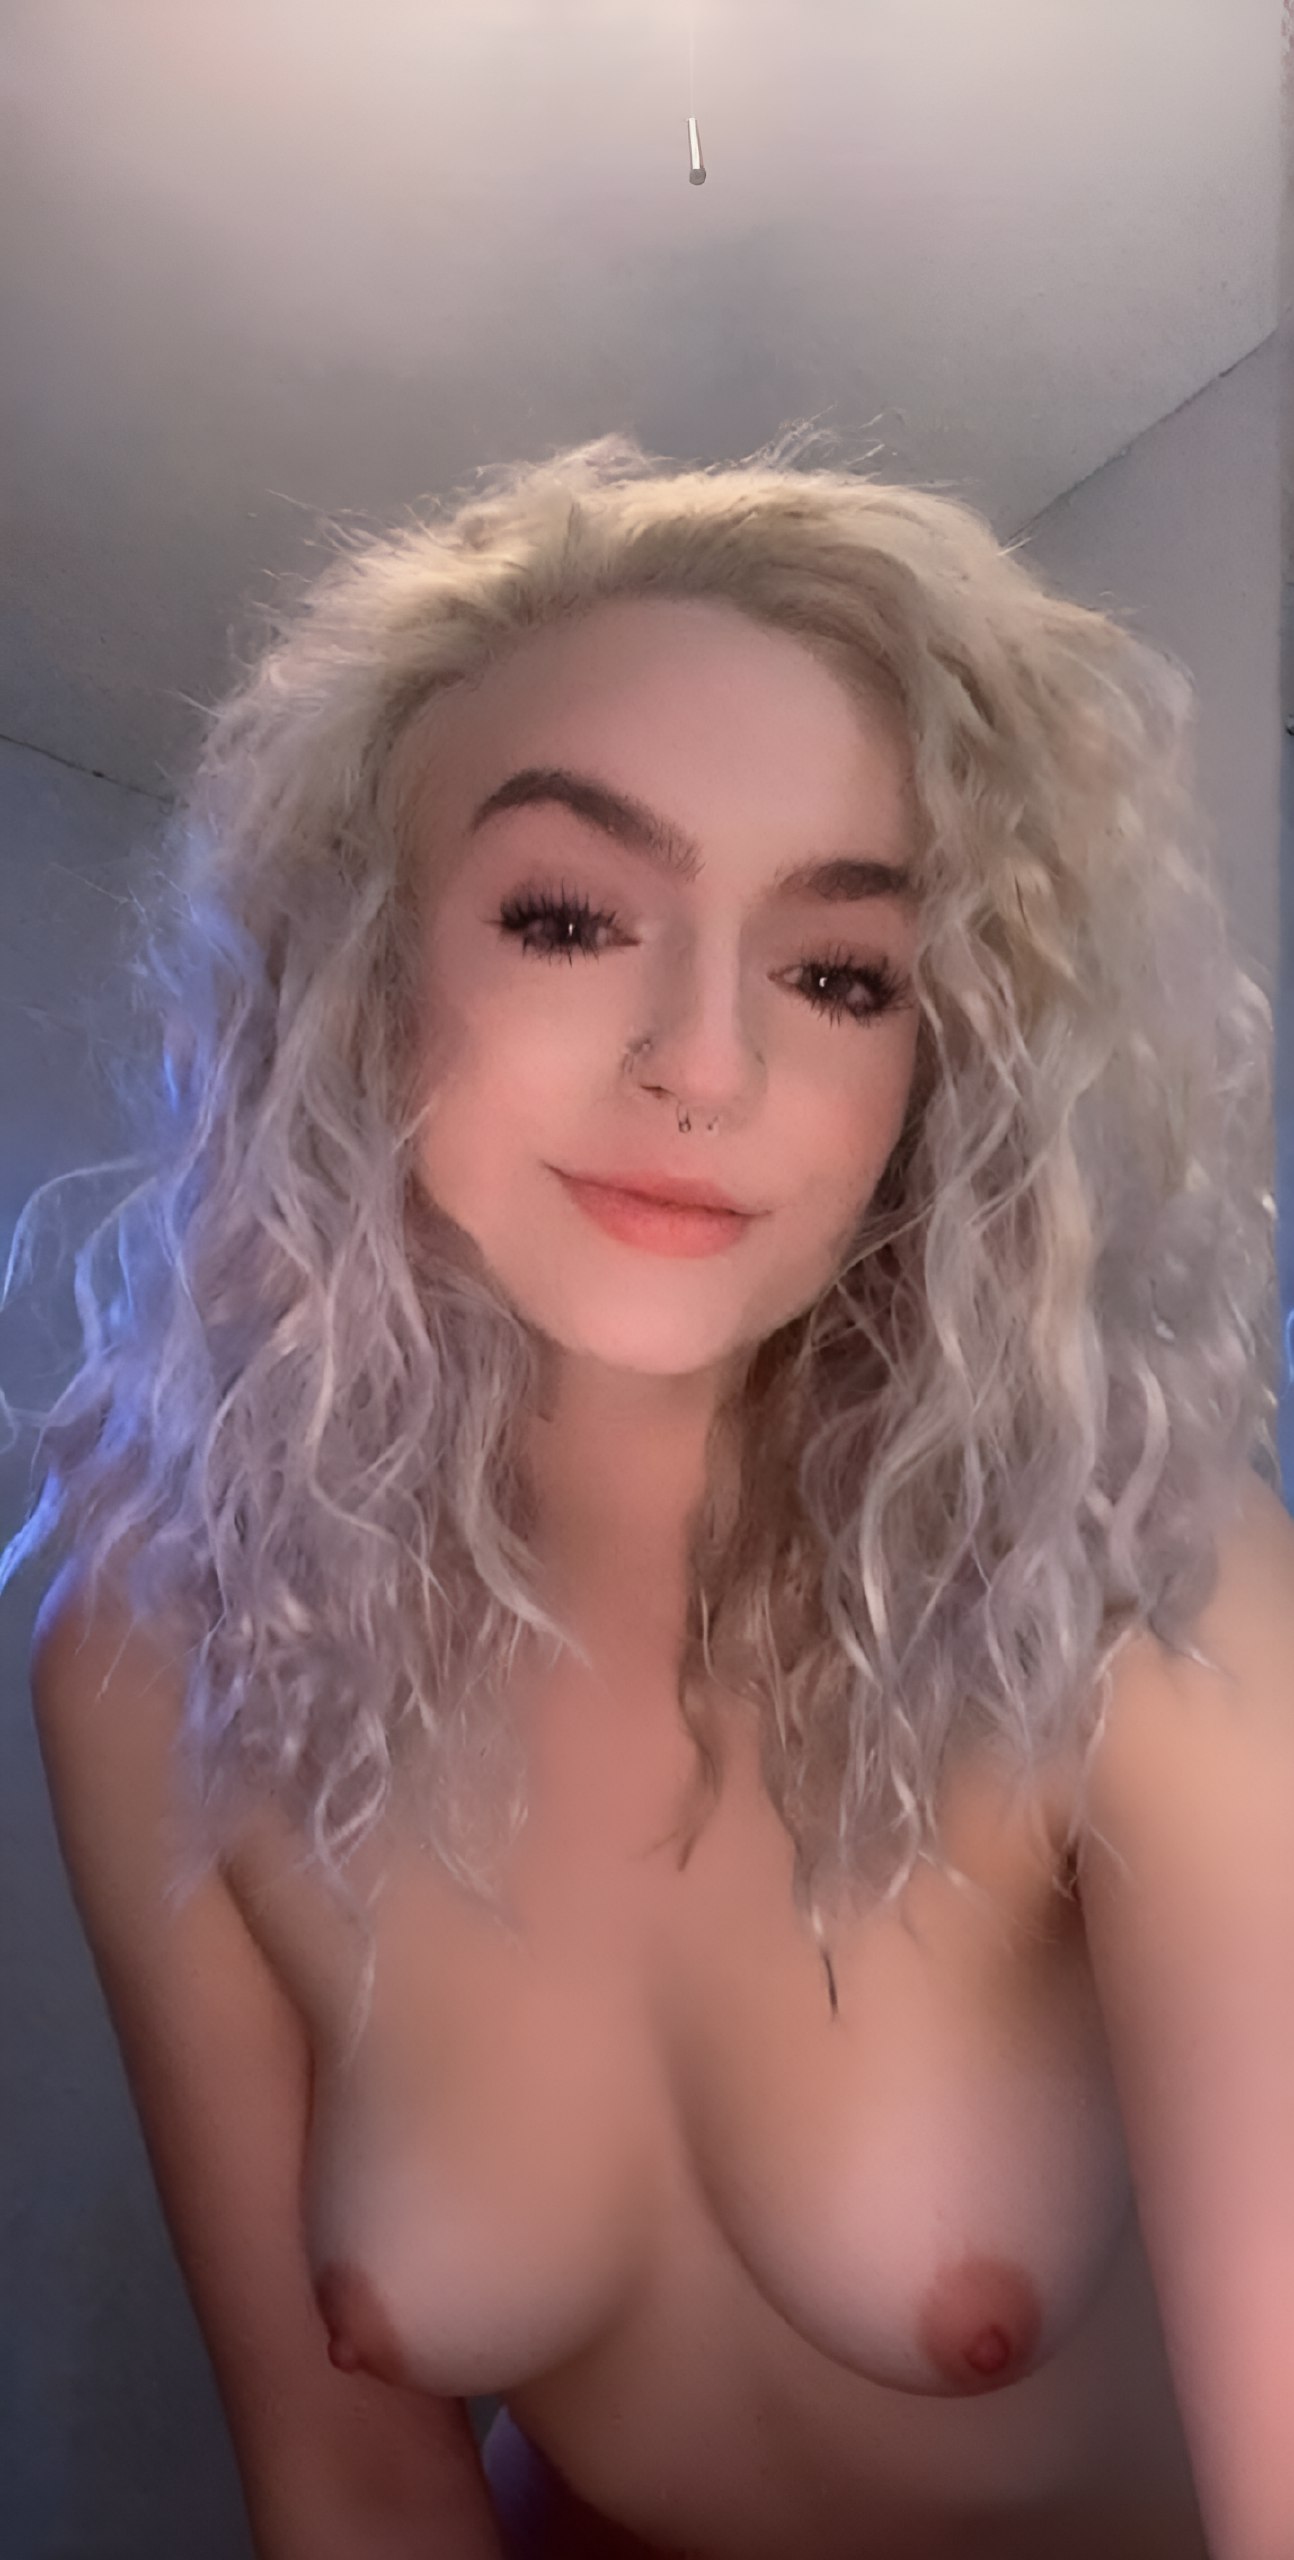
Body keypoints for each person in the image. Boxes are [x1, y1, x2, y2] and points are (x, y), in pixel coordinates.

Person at [6, 428, 1290, 2560]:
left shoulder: (1146, 1605)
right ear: (360, 972)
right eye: (569, 914)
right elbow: (349, 2476)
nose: (707, 1060)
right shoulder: (154, 1647)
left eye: (838, 969)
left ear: (936, 1065)